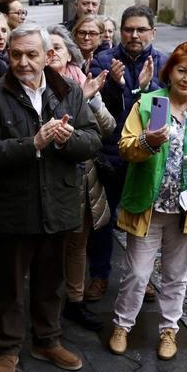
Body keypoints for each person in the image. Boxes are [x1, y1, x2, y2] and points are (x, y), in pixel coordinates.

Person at [0, 24, 102, 372]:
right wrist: (33, 143)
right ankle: (9, 347)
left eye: (31, 54)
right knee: (11, 284)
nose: (23, 62)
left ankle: (47, 340)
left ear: (47, 56)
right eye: (16, 55)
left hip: (58, 203)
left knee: (51, 280)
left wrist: (67, 139)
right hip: (13, 208)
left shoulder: (69, 91)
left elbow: (92, 140)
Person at [110, 42, 187, 360]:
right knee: (137, 274)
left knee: (176, 277)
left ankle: (169, 331)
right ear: (170, 72)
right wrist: (146, 142)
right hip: (148, 206)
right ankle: (122, 325)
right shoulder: (149, 103)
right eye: (181, 70)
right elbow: (124, 147)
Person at [87, 5, 169, 303]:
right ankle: (99, 274)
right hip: (111, 152)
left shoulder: (165, 62)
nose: (134, 35)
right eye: (129, 29)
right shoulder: (104, 61)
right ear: (120, 31)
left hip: (148, 152)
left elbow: (164, 107)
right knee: (103, 219)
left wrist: (146, 87)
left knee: (142, 218)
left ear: (152, 32)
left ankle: (141, 277)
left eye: (141, 30)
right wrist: (118, 86)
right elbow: (103, 112)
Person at [46, 25, 115, 331]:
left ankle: (74, 302)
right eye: (46, 49)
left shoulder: (81, 82)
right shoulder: (36, 88)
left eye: (57, 48)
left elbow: (108, 127)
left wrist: (91, 99)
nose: (52, 54)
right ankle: (46, 303)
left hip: (84, 180)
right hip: (51, 182)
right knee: (50, 248)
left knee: (77, 245)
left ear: (68, 53)